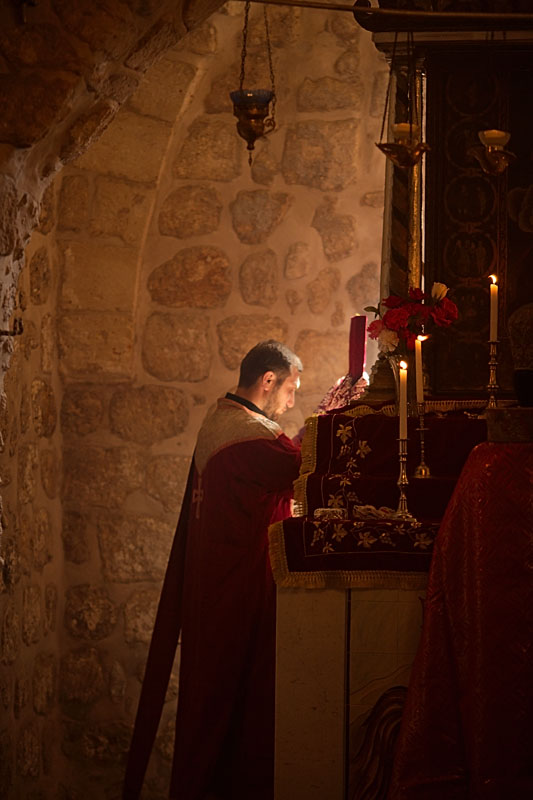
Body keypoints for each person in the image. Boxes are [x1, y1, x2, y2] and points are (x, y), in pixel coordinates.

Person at [123, 340, 303, 800]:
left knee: (216, 711)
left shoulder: (221, 421)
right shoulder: (247, 435)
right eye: (291, 389)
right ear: (268, 380)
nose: (291, 401)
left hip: (216, 594)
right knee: (235, 712)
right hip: (236, 598)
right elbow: (304, 465)